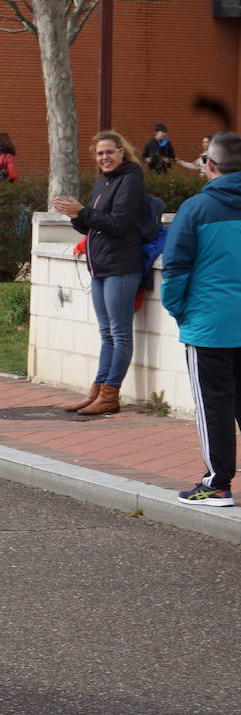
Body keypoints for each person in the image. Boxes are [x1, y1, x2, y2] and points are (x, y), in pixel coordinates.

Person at [162, 131, 241, 507]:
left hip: (210, 325)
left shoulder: (196, 209)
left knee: (214, 406)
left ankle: (218, 484)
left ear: (209, 164)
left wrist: (179, 311)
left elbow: (175, 269)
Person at [52, 131, 155, 415]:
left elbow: (118, 224)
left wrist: (82, 211)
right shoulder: (103, 181)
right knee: (106, 334)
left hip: (121, 266)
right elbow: (93, 225)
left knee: (119, 334)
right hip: (100, 267)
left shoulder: (130, 180)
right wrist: (75, 215)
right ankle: (97, 390)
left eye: (109, 152)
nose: (104, 158)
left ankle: (111, 394)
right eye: (99, 153)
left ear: (122, 152)